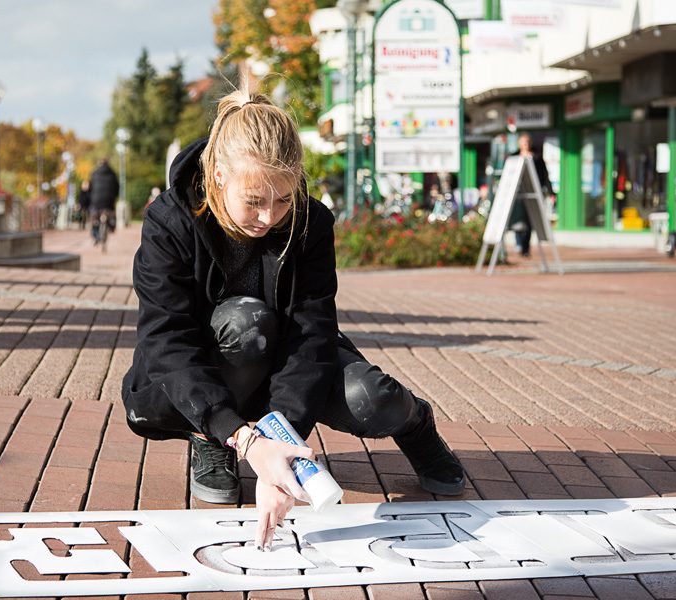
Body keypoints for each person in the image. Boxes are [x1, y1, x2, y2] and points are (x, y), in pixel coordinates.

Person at [121, 82, 466, 551]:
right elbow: (167, 341)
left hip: (288, 359)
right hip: (214, 365)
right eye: (255, 200)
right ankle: (212, 436)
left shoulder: (310, 223)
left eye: (283, 199)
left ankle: (416, 426)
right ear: (219, 175)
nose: (269, 217)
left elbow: (311, 333)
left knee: (370, 397)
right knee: (247, 324)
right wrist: (241, 438)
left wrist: (281, 447)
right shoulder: (171, 221)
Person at [509, 132, 553, 257]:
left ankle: (525, 248)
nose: (525, 145)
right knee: (518, 219)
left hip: (533, 193)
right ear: (519, 144)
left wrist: (550, 191)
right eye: (523, 142)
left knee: (528, 221)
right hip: (518, 194)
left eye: (527, 142)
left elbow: (545, 176)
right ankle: (518, 243)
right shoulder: (514, 157)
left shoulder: (537, 158)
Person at [88, 158, 119, 243]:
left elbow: (90, 187)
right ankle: (112, 225)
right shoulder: (113, 174)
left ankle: (95, 231)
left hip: (96, 200)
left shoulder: (94, 173)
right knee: (111, 211)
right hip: (109, 200)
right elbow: (117, 187)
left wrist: (91, 196)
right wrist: (114, 196)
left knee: (94, 214)